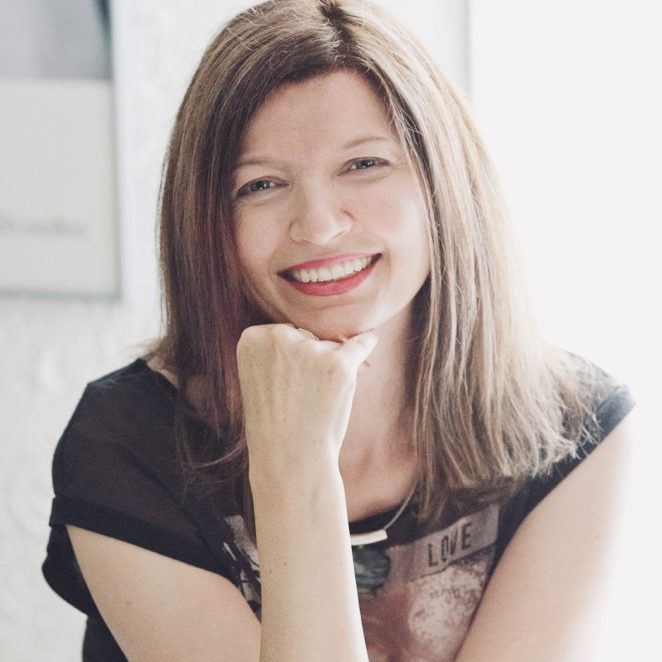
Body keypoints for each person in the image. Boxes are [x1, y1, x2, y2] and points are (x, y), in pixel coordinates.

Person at [42, 1, 635, 660]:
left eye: (363, 165)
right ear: (207, 221)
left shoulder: (577, 431)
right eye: (261, 185)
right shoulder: (128, 443)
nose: (319, 226)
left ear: (443, 181)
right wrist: (295, 465)